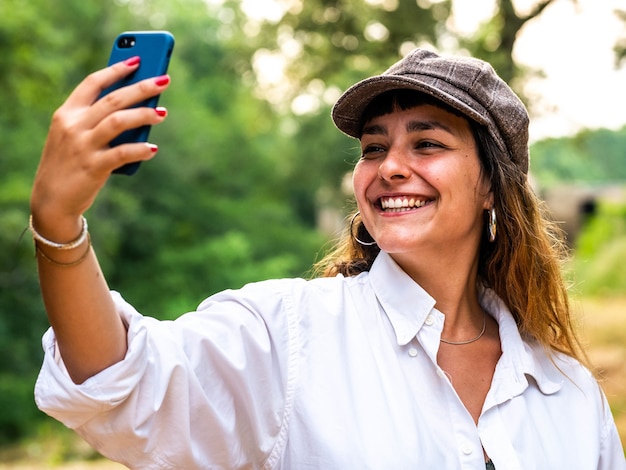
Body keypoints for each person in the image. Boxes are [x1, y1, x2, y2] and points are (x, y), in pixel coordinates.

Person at [31, 48, 624, 469]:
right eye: (373, 147)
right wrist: (58, 227)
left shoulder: (568, 393)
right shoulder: (287, 334)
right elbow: (122, 382)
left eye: (427, 143)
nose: (390, 165)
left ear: (493, 186)